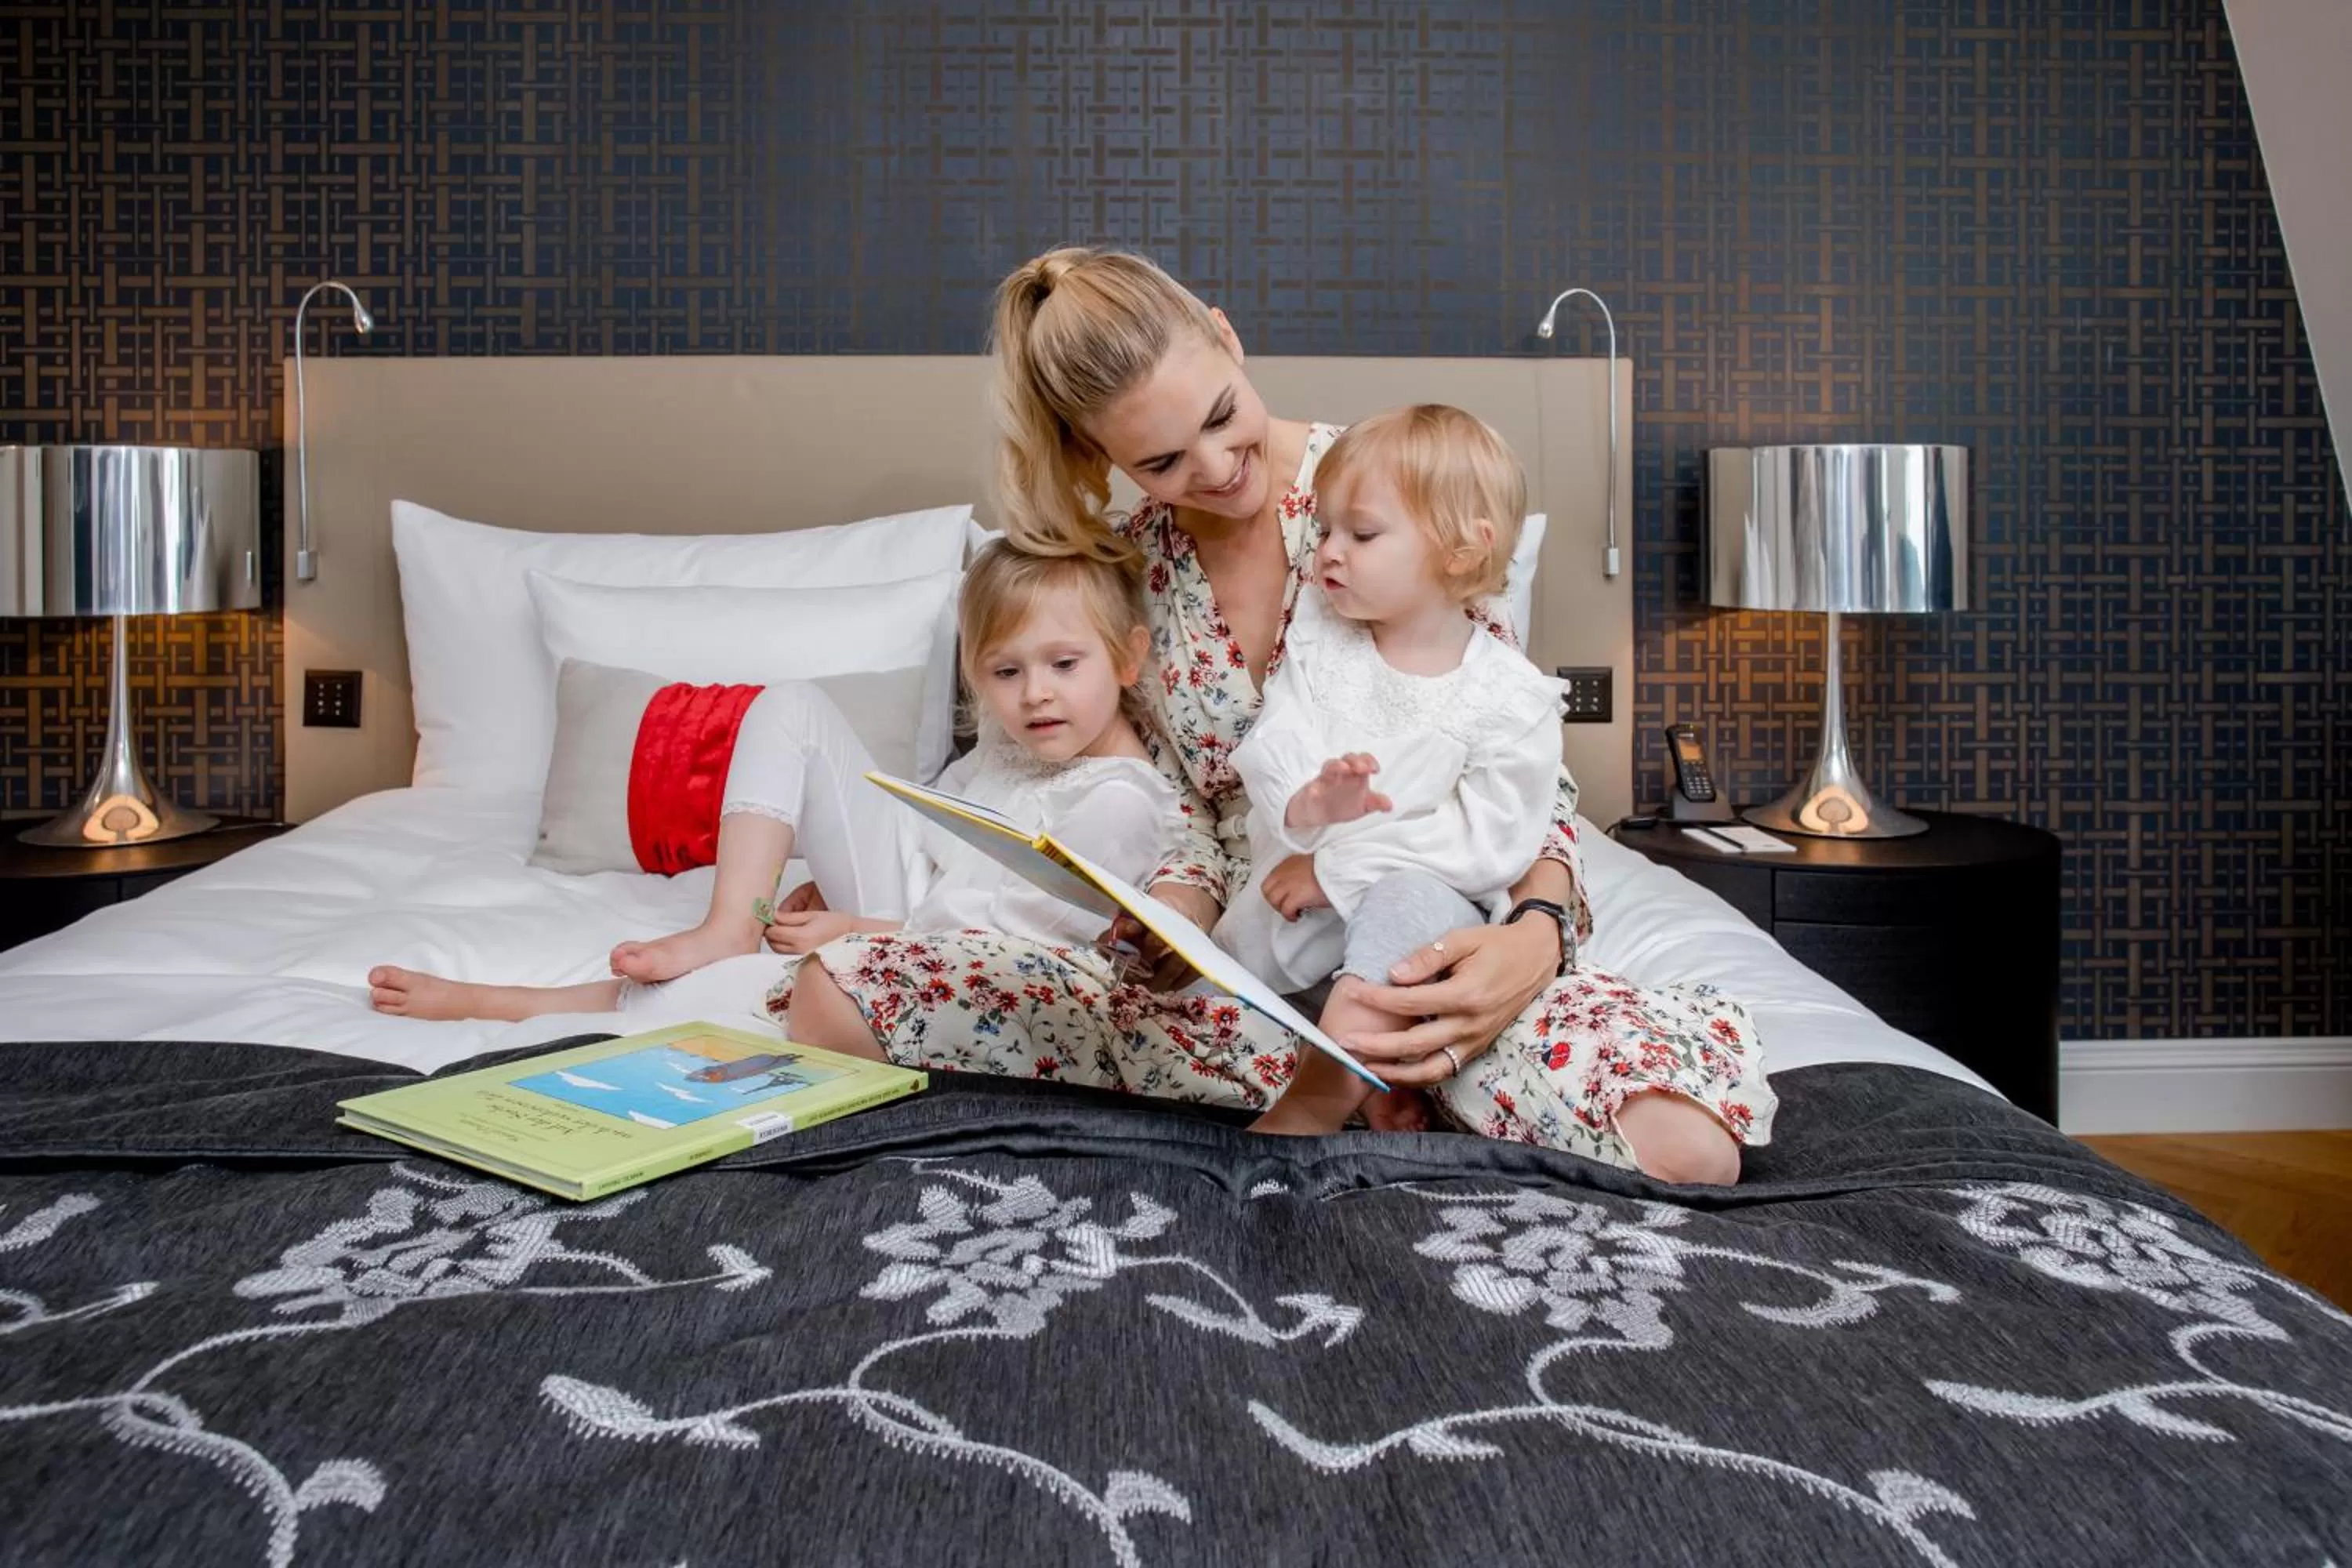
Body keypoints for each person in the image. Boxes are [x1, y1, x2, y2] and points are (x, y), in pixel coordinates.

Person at [807, 245, 1776, 1181]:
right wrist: (1176, 908)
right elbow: (1180, 798)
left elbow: (1519, 765)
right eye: (1163, 462)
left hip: (1436, 924)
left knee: (1680, 1139)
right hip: (1249, 959)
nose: (1222, 467)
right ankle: (1367, 1080)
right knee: (837, 996)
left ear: (1228, 338)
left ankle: (1381, 1066)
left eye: (1225, 417)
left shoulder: (1388, 487)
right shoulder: (1133, 574)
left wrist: (1534, 933)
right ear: (1098, 455)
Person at [368, 544, 1189, 1067]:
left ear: (1125, 659)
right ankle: (729, 919)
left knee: (746, 994)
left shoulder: (1120, 802)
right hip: (909, 903)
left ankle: (517, 1005)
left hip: (954, 953)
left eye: (1062, 663)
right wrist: (835, 891)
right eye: (1005, 672)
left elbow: (1012, 945)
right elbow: (934, 824)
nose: (1034, 694)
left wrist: (857, 931)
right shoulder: (1016, 746)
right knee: (791, 704)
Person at [1218, 405, 1567, 1137]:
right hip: (1292, 915)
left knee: (1407, 905)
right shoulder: (1322, 640)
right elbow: (1274, 738)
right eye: (1325, 531)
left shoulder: (1508, 697)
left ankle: (1315, 1102)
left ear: (1463, 553)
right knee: (1235, 970)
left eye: (1362, 534)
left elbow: (1490, 844)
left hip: (1418, 929)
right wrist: (1309, 804)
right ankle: (1368, 1083)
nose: (1329, 555)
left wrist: (1338, 872)